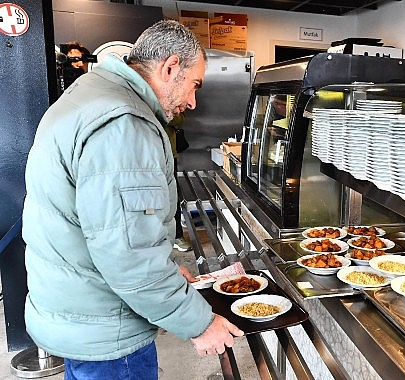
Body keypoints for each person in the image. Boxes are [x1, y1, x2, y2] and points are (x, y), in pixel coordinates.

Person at [23, 20, 243, 379]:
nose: (192, 101)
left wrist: (166, 267)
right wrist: (200, 324)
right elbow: (128, 256)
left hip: (80, 313)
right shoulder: (124, 122)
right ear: (169, 67)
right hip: (107, 327)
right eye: (194, 85)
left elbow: (113, 230)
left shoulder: (93, 92)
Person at [164, 112, 192, 252]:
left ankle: (177, 236)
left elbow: (179, 118)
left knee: (172, 193)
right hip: (147, 155)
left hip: (169, 153)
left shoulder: (169, 100)